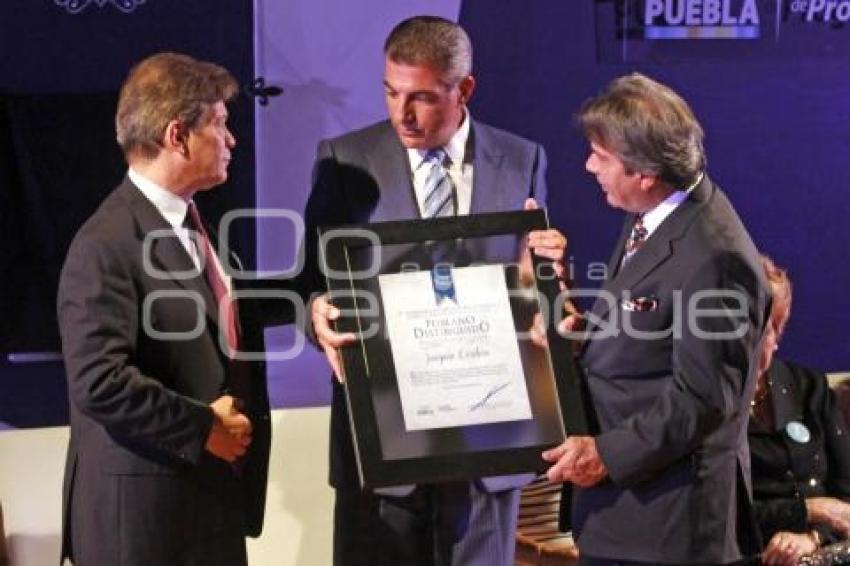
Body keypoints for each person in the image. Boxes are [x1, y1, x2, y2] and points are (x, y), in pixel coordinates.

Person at [301, 15, 566, 566]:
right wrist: (315, 311)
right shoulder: (343, 161)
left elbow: (532, 285)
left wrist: (548, 282)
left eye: (420, 97)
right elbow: (310, 285)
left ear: (463, 89)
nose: (402, 113)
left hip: (486, 451)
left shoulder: (523, 160)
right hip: (381, 447)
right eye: (391, 93)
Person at [58, 52, 285, 566]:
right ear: (178, 136)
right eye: (221, 125)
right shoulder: (105, 242)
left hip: (204, 508)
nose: (232, 141)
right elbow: (98, 380)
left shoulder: (196, 227)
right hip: (143, 526)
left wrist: (314, 305)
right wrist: (204, 426)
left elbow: (226, 318)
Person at [542, 73, 770, 564]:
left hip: (670, 527)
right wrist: (590, 333)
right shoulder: (655, 211)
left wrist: (606, 455)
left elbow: (705, 397)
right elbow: (655, 332)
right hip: (627, 516)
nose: (588, 166)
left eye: (599, 157)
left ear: (644, 172)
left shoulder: (715, 255)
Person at [749, 255, 850, 566]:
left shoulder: (809, 386)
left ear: (777, 331)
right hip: (753, 550)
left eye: (761, 329)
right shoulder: (702, 400)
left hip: (825, 549)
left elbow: (846, 491)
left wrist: (812, 537)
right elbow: (707, 512)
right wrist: (807, 510)